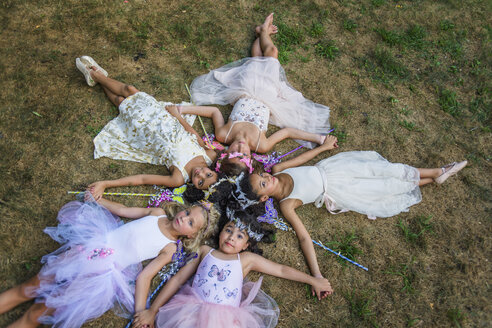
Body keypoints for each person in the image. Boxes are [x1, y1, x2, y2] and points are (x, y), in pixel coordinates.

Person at [246, 135, 467, 296]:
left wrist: (323, 147)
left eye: (263, 174)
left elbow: (304, 159)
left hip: (333, 169)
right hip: (339, 189)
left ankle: (435, 173)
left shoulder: (278, 170)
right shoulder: (287, 204)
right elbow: (304, 237)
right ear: (264, 198)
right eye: (264, 183)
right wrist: (317, 275)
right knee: (385, 187)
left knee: (383, 171)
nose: (268, 178)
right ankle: (435, 175)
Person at [0, 193, 219, 328]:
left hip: (100, 276)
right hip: (89, 249)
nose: (184, 217)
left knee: (42, 309)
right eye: (188, 212)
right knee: (31, 286)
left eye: (190, 223)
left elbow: (145, 276)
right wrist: (100, 200)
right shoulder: (158, 213)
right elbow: (124, 210)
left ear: (191, 236)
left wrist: (141, 312)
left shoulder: (169, 248)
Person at [177, 13, 331, 170]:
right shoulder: (261, 145)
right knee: (271, 53)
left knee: (259, 58)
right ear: (250, 157)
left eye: (234, 153)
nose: (240, 149)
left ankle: (263, 32)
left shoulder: (224, 134)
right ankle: (262, 33)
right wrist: (318, 138)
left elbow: (214, 112)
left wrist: (182, 109)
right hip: (268, 97)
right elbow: (287, 132)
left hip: (245, 90)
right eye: (244, 155)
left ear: (225, 152)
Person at [131, 208, 333, 328]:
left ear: (246, 245)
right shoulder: (204, 251)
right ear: (220, 233)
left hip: (225, 320)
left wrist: (312, 279)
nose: (231, 237)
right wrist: (153, 310)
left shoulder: (245, 259)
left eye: (239, 235)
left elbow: (280, 270)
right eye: (228, 230)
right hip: (191, 310)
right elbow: (176, 280)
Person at [75, 56, 229, 200]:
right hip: (165, 119)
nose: (200, 174)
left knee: (120, 103)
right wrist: (178, 116)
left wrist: (106, 184)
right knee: (130, 90)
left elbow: (142, 179)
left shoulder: (179, 177)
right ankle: (97, 76)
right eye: (208, 175)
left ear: (195, 188)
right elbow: (193, 133)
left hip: (147, 132)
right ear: (213, 171)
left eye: (200, 182)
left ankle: (97, 75)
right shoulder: (209, 156)